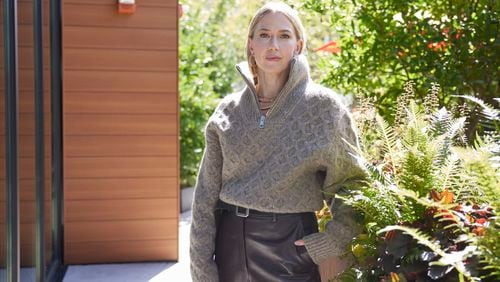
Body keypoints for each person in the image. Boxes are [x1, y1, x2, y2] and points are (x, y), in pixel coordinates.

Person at [189, 2, 366, 282]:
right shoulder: (227, 110)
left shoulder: (324, 108)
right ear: (251, 45)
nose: (273, 45)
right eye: (264, 35)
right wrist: (201, 268)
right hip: (229, 248)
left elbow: (355, 184)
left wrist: (329, 242)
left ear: (298, 45)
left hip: (291, 248)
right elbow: (204, 199)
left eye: (284, 36)